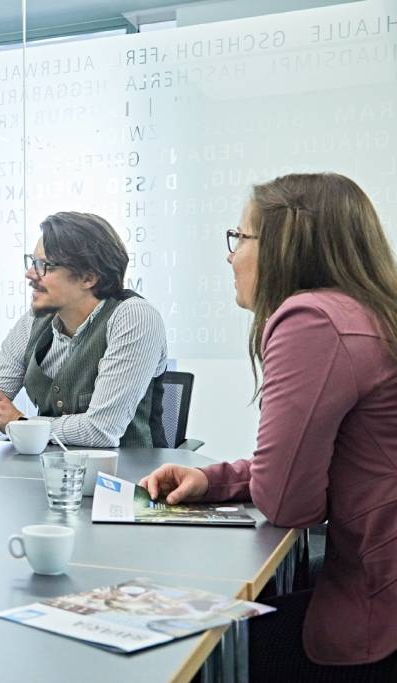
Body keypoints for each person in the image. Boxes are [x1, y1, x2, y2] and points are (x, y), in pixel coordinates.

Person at [140, 173, 397, 680]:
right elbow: (314, 464)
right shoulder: (371, 312)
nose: (231, 255)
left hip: (377, 614)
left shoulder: (313, 320)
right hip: (378, 582)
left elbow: (289, 503)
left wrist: (250, 481)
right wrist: (214, 480)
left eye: (240, 237)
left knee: (189, 655)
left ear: (285, 243)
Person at [0, 212, 168, 453]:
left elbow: (101, 430)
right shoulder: (34, 321)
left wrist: (20, 424)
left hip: (129, 480)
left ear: (88, 277)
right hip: (50, 474)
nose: (30, 274)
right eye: (32, 262)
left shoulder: (134, 317)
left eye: (44, 265)